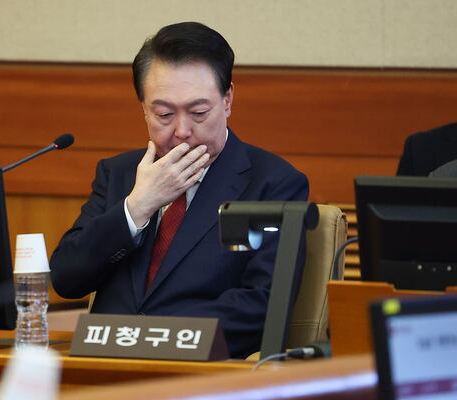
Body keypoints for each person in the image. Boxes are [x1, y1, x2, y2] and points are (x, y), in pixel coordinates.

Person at [50, 22, 309, 358]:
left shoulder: (273, 183)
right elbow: (66, 278)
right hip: (104, 371)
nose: (182, 131)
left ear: (227, 100)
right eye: (164, 114)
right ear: (143, 107)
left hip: (200, 374)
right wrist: (137, 208)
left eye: (199, 112)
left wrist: (152, 338)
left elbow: (263, 303)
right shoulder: (119, 174)